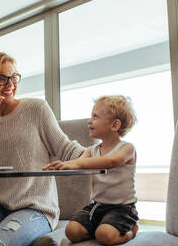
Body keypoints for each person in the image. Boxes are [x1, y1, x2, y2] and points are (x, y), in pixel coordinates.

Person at [0, 52, 85, 246]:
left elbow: (65, 148)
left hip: (36, 208)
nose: (11, 85)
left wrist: (103, 155)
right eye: (1, 79)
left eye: (13, 77)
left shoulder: (36, 108)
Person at [43, 95, 139, 246]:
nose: (89, 120)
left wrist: (77, 164)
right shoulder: (92, 150)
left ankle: (129, 232)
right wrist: (63, 165)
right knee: (72, 231)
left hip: (122, 208)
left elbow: (111, 161)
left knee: (104, 235)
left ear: (114, 125)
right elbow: (77, 162)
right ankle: (100, 226)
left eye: (95, 116)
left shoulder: (127, 149)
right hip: (98, 205)